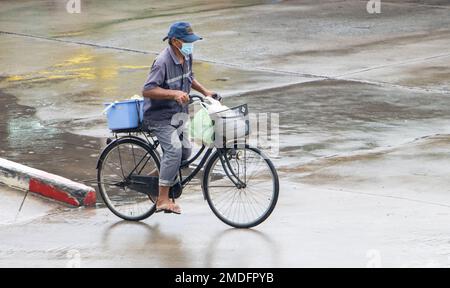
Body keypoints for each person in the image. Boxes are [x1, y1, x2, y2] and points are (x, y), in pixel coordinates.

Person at [142, 22, 217, 214]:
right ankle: (162, 200)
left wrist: (206, 91)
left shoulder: (186, 55)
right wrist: (174, 93)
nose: (191, 45)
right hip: (159, 116)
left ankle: (156, 181)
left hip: (177, 113)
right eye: (188, 41)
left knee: (185, 153)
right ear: (175, 41)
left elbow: (189, 77)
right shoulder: (162, 62)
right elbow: (148, 90)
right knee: (174, 151)